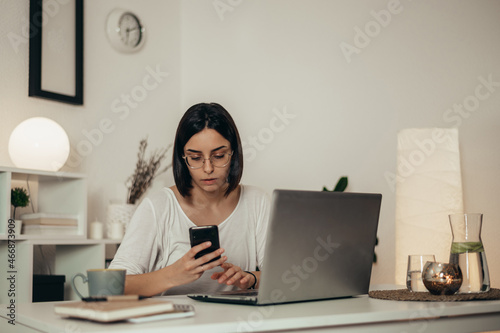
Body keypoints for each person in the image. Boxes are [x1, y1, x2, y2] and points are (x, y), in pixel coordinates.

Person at [109, 103, 270, 296]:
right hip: (176, 324)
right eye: (195, 158)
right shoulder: (158, 207)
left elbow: (281, 275)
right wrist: (172, 275)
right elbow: (112, 285)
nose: (208, 168)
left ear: (233, 154)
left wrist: (250, 278)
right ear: (183, 159)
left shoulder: (257, 201)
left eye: (219, 156)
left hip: (238, 323)